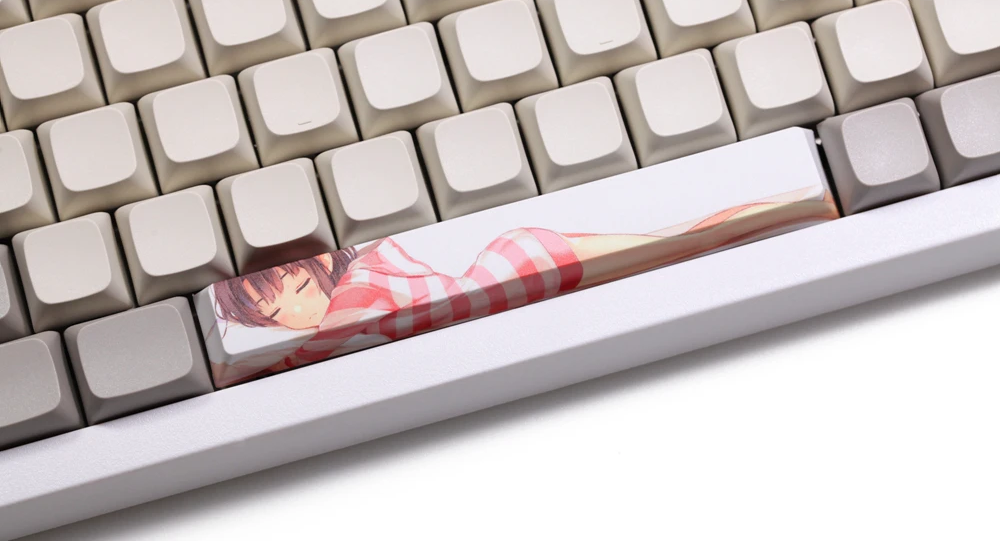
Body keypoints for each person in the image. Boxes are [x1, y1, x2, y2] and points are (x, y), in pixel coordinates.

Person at [212, 187, 837, 376]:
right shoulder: (360, 286)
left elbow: (317, 342)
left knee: (679, 242)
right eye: (278, 312)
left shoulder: (357, 290)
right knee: (680, 241)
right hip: (511, 271)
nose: (300, 310)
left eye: (301, 288)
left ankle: (802, 205)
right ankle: (800, 205)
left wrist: (243, 368)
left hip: (519, 267)